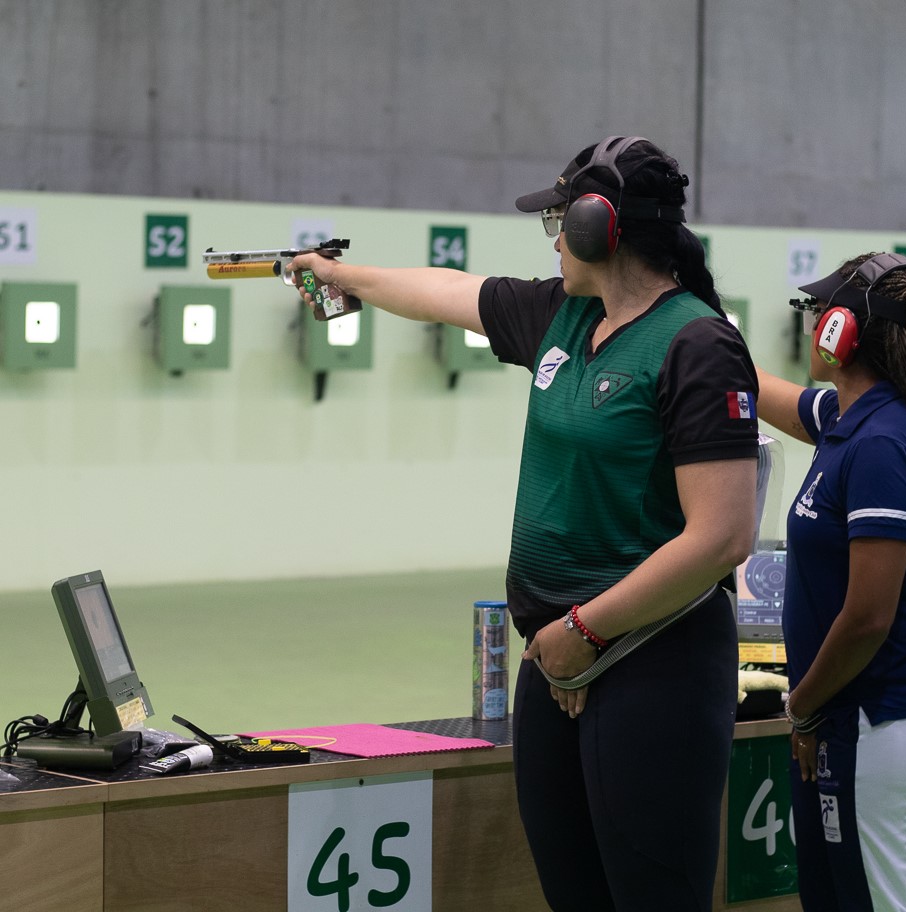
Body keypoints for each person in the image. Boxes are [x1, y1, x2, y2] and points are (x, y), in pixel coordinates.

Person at [290, 135, 760, 911]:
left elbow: (722, 536)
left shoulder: (697, 344)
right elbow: (448, 291)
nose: (552, 242)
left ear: (596, 227)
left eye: (558, 223)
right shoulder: (565, 316)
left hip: (652, 663)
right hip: (557, 659)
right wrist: (342, 277)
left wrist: (588, 628)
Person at [755, 252, 906, 912]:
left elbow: (868, 616)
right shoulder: (851, 419)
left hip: (879, 718)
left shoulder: (881, 443)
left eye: (819, 311)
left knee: (878, 902)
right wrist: (694, 330)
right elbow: (768, 392)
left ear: (841, 331)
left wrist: (802, 704)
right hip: (843, 716)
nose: (812, 321)